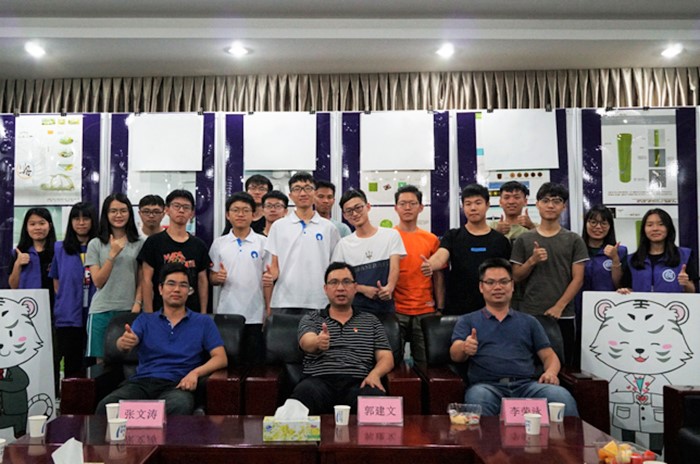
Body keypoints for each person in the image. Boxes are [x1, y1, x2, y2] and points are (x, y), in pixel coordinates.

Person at [450, 258, 578, 417]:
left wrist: (551, 373)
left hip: (527, 386)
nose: (498, 287)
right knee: (478, 398)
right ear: (481, 287)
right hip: (487, 387)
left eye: (504, 282)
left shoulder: (529, 322)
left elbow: (549, 356)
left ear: (512, 286)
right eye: (490, 282)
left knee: (561, 396)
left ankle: (570, 435)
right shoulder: (467, 320)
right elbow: (455, 354)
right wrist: (464, 347)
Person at [96, 263, 227, 415]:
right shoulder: (145, 320)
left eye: (183, 285)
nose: (177, 289)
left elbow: (221, 358)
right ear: (160, 289)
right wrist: (123, 342)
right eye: (171, 284)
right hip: (142, 383)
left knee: (178, 406)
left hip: (177, 385)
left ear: (189, 291)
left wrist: (195, 373)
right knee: (107, 406)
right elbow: (125, 343)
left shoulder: (203, 322)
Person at [289, 262, 394, 414]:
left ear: (355, 287)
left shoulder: (371, 321)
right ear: (325, 289)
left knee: (380, 409)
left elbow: (386, 357)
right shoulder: (312, 318)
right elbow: (306, 341)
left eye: (346, 282)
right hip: (318, 382)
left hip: (359, 383)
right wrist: (317, 342)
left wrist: (375, 374)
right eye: (334, 282)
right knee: (297, 405)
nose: (340, 288)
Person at [510, 182, 588, 366]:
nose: (550, 205)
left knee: (563, 366)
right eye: (545, 201)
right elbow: (515, 277)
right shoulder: (524, 239)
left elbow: (578, 279)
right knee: (528, 365)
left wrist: (559, 307)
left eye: (556, 201)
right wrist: (532, 261)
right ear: (537, 204)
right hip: (530, 313)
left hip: (563, 315)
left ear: (564, 206)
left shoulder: (574, 239)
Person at [421, 184, 511, 315]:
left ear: (487, 205)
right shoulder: (453, 236)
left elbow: (509, 275)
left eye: (478, 203)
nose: (473, 208)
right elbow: (441, 256)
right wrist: (430, 264)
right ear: (463, 207)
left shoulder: (500, 240)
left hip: (492, 308)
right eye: (468, 204)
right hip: (458, 308)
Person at [263, 172, 341, 314]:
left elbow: (334, 267)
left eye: (308, 188)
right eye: (297, 189)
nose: (303, 193)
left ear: (315, 193)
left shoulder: (329, 228)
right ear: (290, 195)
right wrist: (270, 276)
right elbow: (274, 265)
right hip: (284, 300)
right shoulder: (279, 226)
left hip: (319, 301)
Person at [209, 192, 270, 365]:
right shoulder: (219, 243)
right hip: (227, 313)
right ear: (228, 215)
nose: (240, 214)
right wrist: (217, 277)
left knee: (254, 365)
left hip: (256, 315)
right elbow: (211, 278)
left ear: (254, 215)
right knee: (228, 363)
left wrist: (268, 310)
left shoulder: (263, 242)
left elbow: (268, 279)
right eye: (235, 210)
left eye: (245, 210)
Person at [85, 193, 144, 362]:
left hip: (129, 310)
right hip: (101, 311)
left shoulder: (139, 243)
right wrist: (112, 255)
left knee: (130, 361)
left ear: (129, 213)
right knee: (101, 363)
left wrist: (137, 303)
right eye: (113, 211)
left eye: (123, 210)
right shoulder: (95, 244)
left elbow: (142, 279)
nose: (118, 215)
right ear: (106, 214)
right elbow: (98, 281)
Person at [392, 185, 444, 365]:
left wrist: (440, 307)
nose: (407, 208)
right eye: (402, 203)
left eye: (412, 203)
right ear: (395, 208)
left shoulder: (431, 239)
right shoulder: (388, 237)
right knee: (392, 363)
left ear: (421, 207)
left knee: (426, 363)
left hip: (425, 311)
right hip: (396, 310)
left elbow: (438, 276)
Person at [332, 188, 406, 315]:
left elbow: (395, 268)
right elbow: (338, 279)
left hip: (386, 308)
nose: (355, 214)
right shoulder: (343, 245)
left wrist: (389, 288)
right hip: (355, 310)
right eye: (349, 211)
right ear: (345, 216)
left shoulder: (391, 235)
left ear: (368, 207)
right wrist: (363, 289)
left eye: (358, 208)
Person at [139, 189, 211, 314]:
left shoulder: (199, 245)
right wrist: (149, 314)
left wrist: (203, 313)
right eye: (176, 206)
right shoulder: (153, 243)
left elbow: (202, 281)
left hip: (191, 313)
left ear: (192, 213)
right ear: (167, 210)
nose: (181, 210)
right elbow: (146, 280)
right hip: (160, 312)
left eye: (186, 207)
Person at [49, 202, 98, 384]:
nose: (81, 223)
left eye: (86, 218)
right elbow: (56, 280)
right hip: (69, 316)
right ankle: (71, 401)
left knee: (94, 364)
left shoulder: (101, 246)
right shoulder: (60, 248)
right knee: (72, 363)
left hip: (95, 314)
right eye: (76, 218)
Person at [575, 205, 627, 367]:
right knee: (578, 355)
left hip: (608, 313)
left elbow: (619, 284)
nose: (598, 227)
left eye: (603, 223)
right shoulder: (575, 249)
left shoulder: (620, 251)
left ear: (610, 226)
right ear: (586, 224)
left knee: (608, 354)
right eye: (593, 222)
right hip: (577, 311)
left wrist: (615, 259)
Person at [619, 207, 697, 294]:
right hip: (642, 303)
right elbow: (628, 288)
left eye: (661, 224)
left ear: (668, 228)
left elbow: (693, 292)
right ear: (644, 229)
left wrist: (686, 283)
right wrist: (625, 292)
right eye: (650, 225)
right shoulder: (631, 259)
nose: (655, 229)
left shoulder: (684, 256)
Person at [9, 208, 57, 308]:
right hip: (27, 308)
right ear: (26, 228)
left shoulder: (58, 252)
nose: (37, 228)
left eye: (42, 223)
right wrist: (17, 264)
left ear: (50, 226)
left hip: (55, 307)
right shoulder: (18, 253)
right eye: (32, 224)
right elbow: (13, 286)